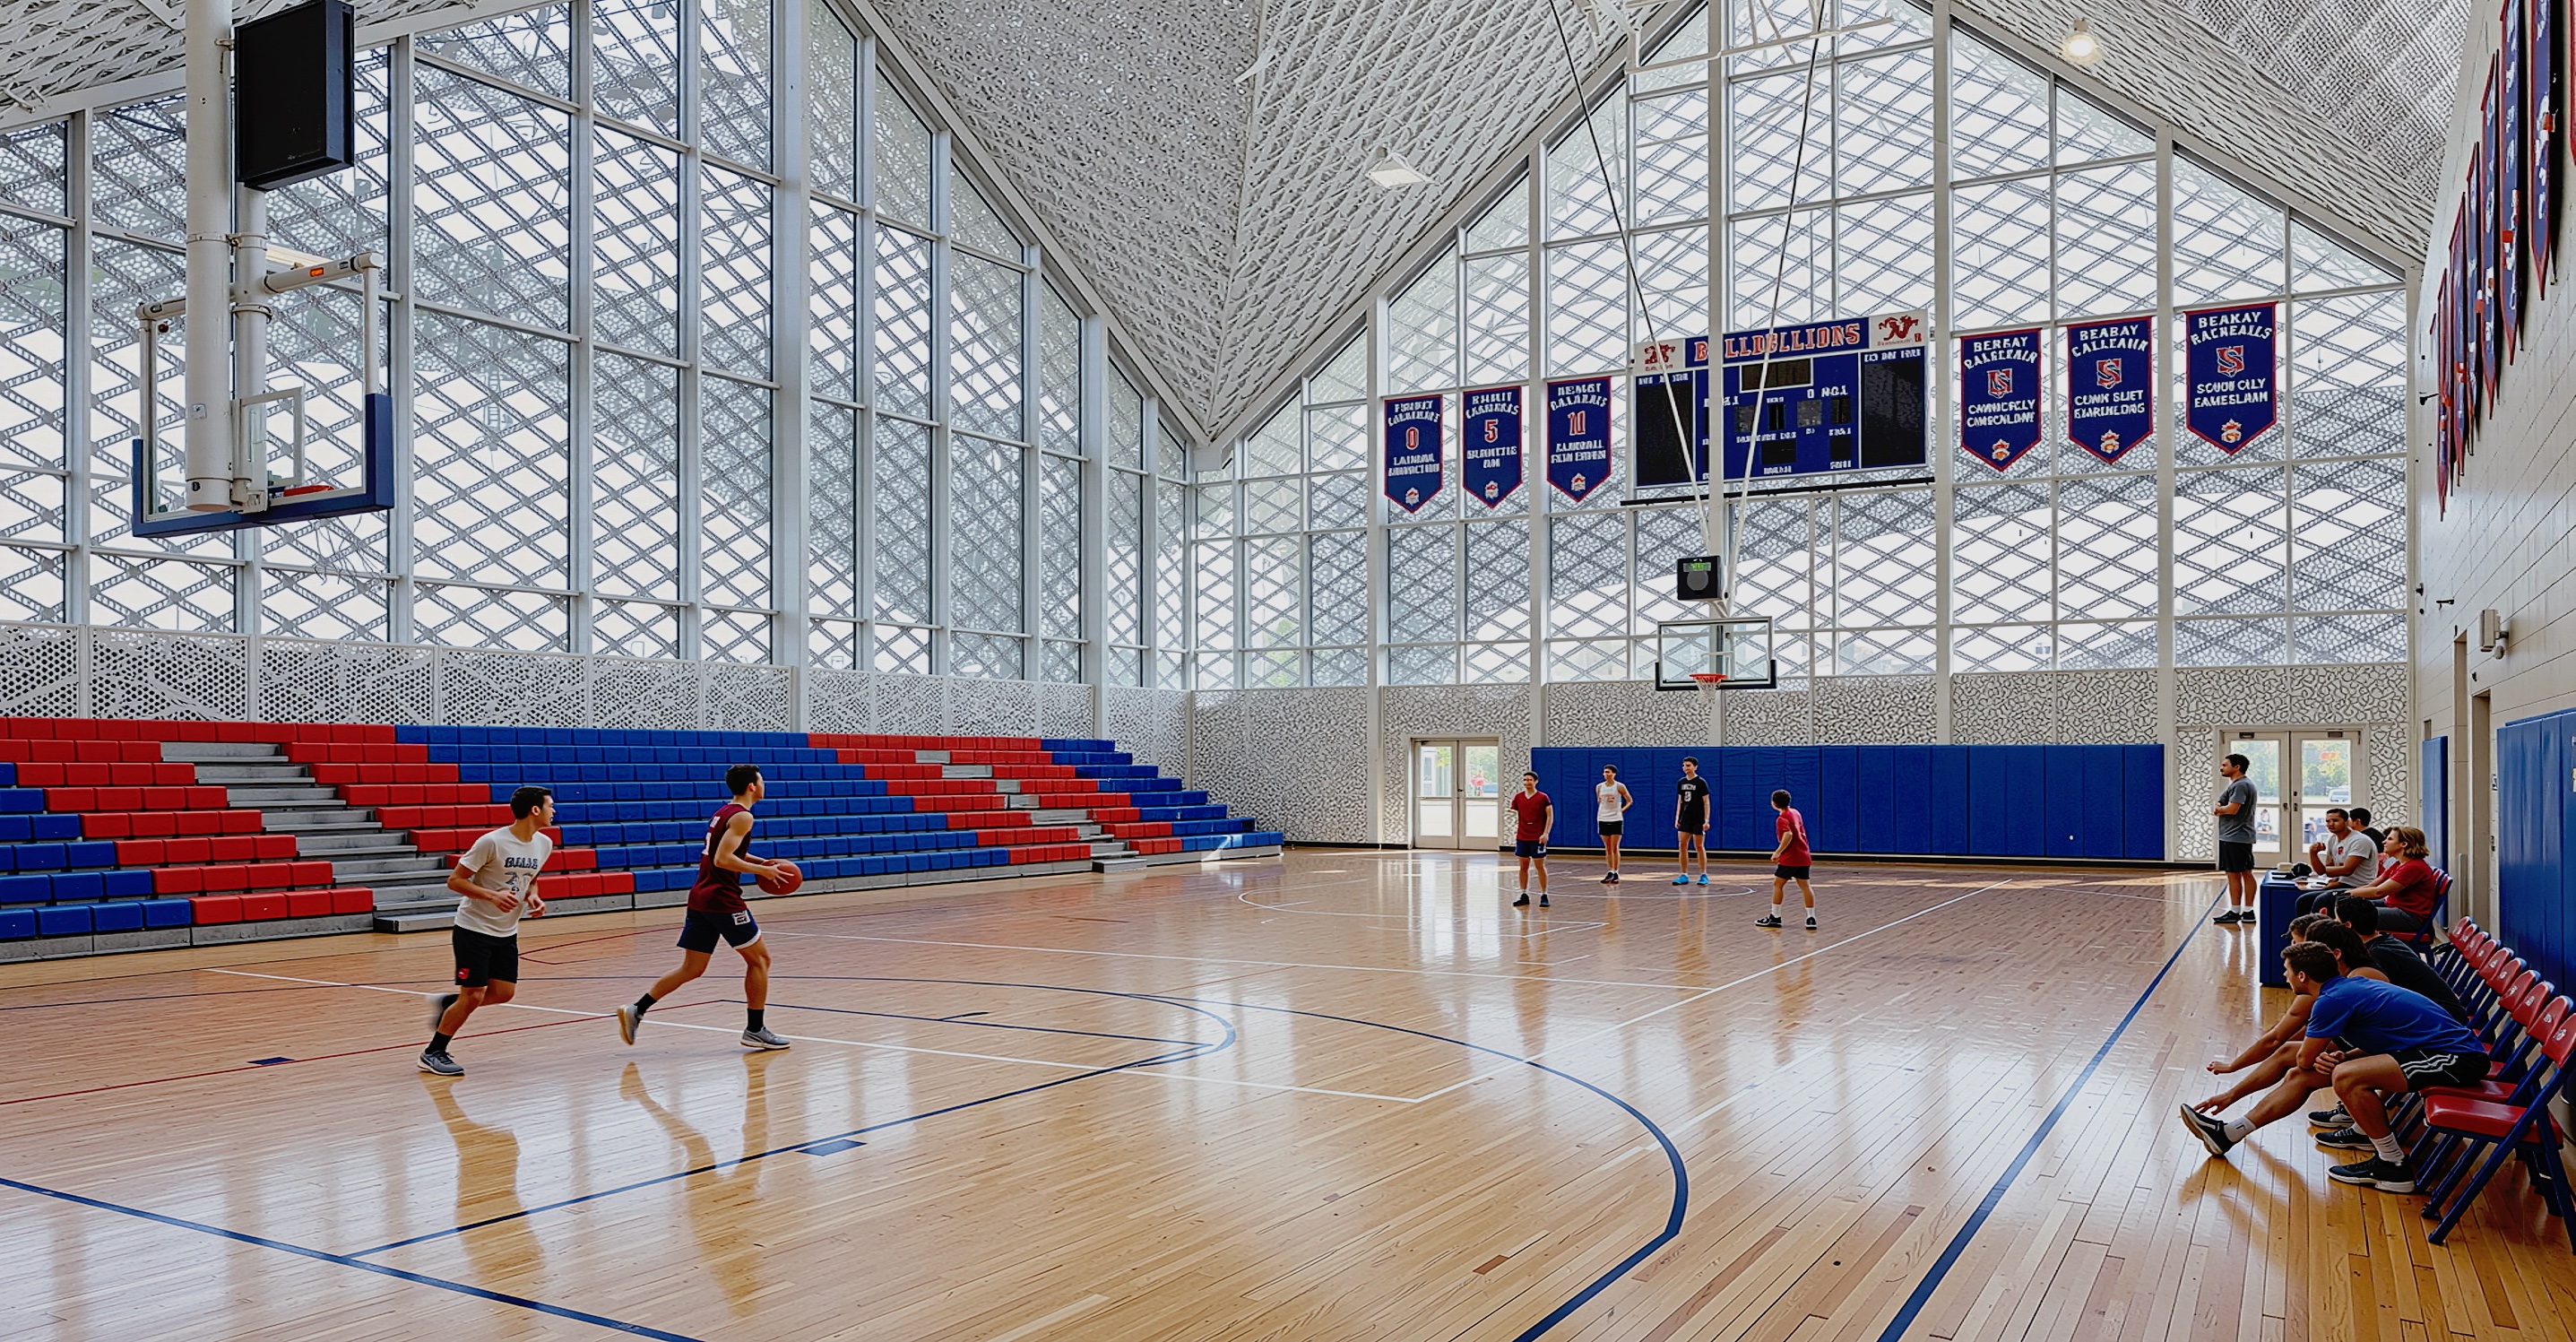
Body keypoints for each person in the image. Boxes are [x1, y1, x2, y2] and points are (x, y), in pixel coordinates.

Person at [2179, 940, 2487, 1192]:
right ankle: (2228, 1134)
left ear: (2302, 976)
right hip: (2422, 1050)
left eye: (2287, 971)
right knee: (2303, 1077)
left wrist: (2336, 1061)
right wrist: (2345, 1055)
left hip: (2457, 1057)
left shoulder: (2332, 1000)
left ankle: (2393, 1166)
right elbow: (2386, 1036)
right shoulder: (2348, 988)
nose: (2284, 976)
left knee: (2346, 1078)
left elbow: (2304, 1056)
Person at [618, 765, 795, 1050]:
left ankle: (637, 1009)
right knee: (760, 961)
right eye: (761, 781)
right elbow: (723, 859)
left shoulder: (724, 812)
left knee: (692, 967)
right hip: (722, 899)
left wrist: (761, 862)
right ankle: (755, 1029)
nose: (764, 785)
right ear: (752, 786)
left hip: (701, 896)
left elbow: (724, 850)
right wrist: (762, 873)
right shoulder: (743, 817)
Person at [421, 786, 555, 1077]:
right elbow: (455, 881)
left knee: (504, 993)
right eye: (549, 805)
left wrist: (533, 895)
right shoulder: (492, 842)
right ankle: (433, 1052)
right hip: (474, 928)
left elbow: (531, 879)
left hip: (507, 931)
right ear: (535, 810)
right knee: (474, 995)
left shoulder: (544, 844)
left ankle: (449, 1003)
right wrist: (491, 895)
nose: (553, 811)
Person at [2191, 913, 2334, 1115]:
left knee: (2295, 1066)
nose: (2292, 944)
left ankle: (2231, 1112)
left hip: (2384, 1052)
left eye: (2296, 940)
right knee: (2286, 1050)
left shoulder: (2323, 990)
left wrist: (2234, 1065)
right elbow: (2281, 1037)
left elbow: (2275, 1041)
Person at [2336, 896, 2466, 1018]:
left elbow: (2364, 998)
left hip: (2441, 1019)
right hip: (2438, 1012)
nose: (2334, 923)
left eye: (2336, 920)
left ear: (2348, 925)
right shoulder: (2383, 940)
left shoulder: (2378, 955)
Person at [2332, 826, 2442, 935]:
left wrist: (2347, 894)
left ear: (2404, 844)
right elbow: (2373, 885)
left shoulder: (2413, 867)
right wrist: (2348, 896)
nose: (2384, 842)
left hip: (2409, 916)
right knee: (2348, 909)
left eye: (2389, 839)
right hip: (2394, 907)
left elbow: (2378, 892)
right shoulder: (2399, 863)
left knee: (2353, 915)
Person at [2294, 809, 2378, 914]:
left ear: (2346, 821)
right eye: (2328, 821)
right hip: (2341, 884)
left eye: (2335, 820)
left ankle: (2317, 929)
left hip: (2359, 886)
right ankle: (2302, 929)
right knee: (2303, 900)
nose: (2331, 824)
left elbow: (2347, 870)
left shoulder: (2360, 840)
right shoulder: (2332, 839)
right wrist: (2313, 853)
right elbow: (2326, 869)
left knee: (2320, 900)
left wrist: (2324, 871)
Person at [1755, 789, 1816, 931]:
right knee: (1805, 886)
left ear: (1774, 803)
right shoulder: (1796, 812)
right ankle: (1811, 918)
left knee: (1778, 885)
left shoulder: (1782, 819)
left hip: (1790, 858)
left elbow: (1788, 835)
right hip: (1804, 855)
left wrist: (1777, 852)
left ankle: (1775, 917)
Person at [2210, 754, 2258, 923]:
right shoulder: (2240, 785)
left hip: (2235, 837)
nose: (2221, 768)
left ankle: (2238, 911)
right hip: (2236, 837)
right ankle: (2245, 911)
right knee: (2244, 873)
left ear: (2236, 767)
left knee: (2235, 874)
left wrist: (2219, 809)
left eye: (2224, 765)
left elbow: (2232, 809)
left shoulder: (2241, 785)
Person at [1508, 772, 1552, 908]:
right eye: (1525, 780)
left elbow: (1550, 816)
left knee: (1539, 866)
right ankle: (1523, 894)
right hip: (1522, 836)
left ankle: (1544, 894)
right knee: (1523, 866)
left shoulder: (1543, 797)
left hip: (1537, 837)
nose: (1527, 782)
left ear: (1536, 782)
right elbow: (1515, 811)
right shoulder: (1519, 797)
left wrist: (1545, 833)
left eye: (1530, 780)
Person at [1670, 757, 1713, 886]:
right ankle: (1684, 874)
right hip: (1686, 818)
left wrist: (1706, 820)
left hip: (1698, 818)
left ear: (1695, 767)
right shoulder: (1681, 782)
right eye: (1684, 765)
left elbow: (1706, 802)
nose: (1685, 768)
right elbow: (1680, 801)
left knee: (1699, 846)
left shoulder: (1701, 782)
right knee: (1682, 845)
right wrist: (1677, 817)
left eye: (1688, 765)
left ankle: (1703, 874)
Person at [1593, 765, 1633, 884]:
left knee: (1615, 847)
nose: (1606, 774)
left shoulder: (1619, 786)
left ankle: (1616, 871)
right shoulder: (1599, 787)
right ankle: (1610, 871)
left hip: (1616, 819)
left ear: (1614, 774)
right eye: (1605, 772)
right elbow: (1599, 801)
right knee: (1608, 848)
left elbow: (1630, 800)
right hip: (1603, 818)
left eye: (1608, 772)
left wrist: (1621, 810)